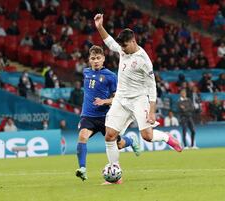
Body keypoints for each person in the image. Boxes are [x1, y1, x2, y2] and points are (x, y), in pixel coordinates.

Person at [94, 14, 182, 184]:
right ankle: (115, 174)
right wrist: (99, 27)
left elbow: (152, 87)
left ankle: (167, 137)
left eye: (125, 46)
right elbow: (110, 42)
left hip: (138, 100)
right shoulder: (122, 48)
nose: (123, 49)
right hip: (121, 98)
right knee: (110, 135)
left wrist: (152, 111)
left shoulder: (144, 61)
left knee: (147, 136)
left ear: (133, 41)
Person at [75, 45, 141, 182]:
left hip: (106, 117)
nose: (96, 61)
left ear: (103, 59)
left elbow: (118, 98)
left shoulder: (111, 76)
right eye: (93, 58)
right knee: (82, 136)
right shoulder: (86, 72)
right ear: (89, 60)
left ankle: (131, 140)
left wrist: (104, 101)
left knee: (119, 144)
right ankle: (82, 169)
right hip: (88, 116)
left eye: (98, 58)